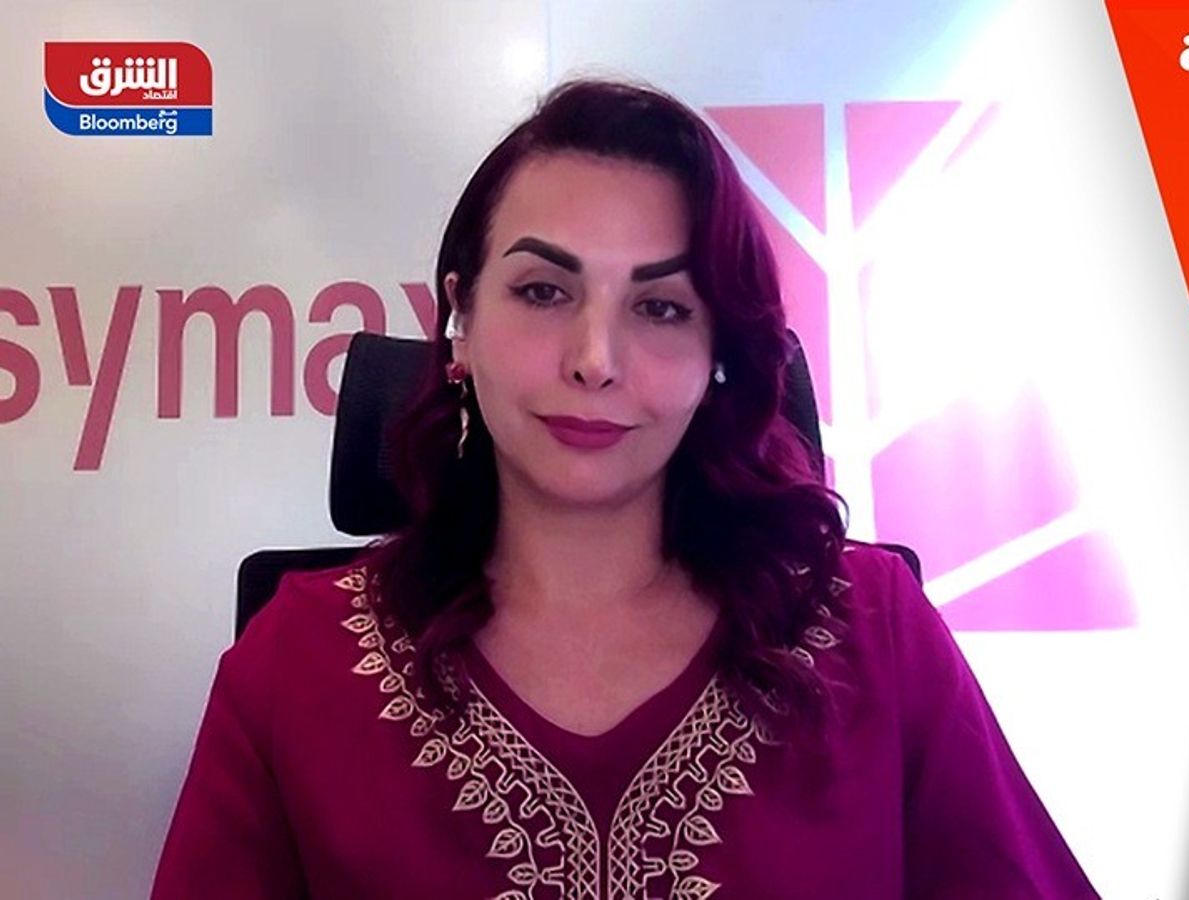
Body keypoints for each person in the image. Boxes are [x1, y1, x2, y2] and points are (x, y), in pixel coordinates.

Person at [151, 77, 1099, 899]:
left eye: (661, 307)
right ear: (459, 322)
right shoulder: (297, 661)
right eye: (543, 292)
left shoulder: (869, 625)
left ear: (718, 355)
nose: (596, 360)